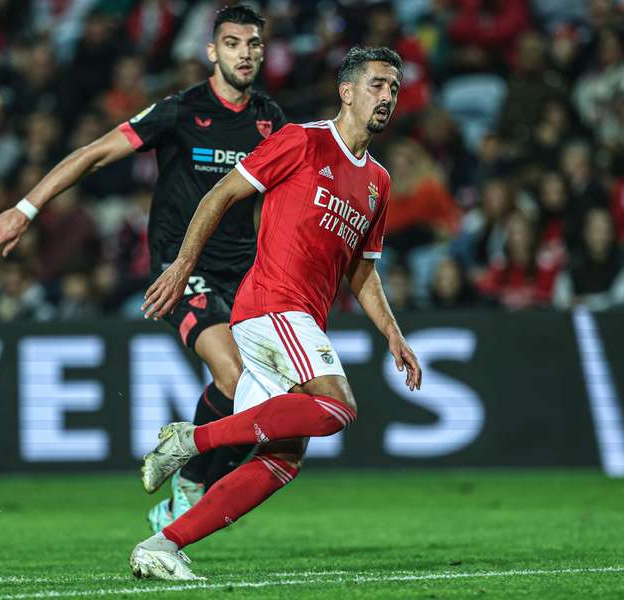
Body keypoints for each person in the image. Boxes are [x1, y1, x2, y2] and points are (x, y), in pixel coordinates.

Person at [0, 4, 286, 533]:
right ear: (212, 51)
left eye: (253, 44)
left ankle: (186, 479)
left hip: (245, 272)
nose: (244, 53)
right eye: (232, 43)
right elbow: (95, 153)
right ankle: (190, 484)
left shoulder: (271, 121)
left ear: (263, 51)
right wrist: (24, 209)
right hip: (179, 270)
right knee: (233, 374)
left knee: (265, 397)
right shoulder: (180, 111)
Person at [130, 46, 422, 581]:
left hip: (298, 319)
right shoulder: (303, 141)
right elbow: (222, 192)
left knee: (281, 461)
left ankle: (162, 544)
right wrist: (182, 264)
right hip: (272, 305)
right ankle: (191, 440)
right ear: (347, 91)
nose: (387, 96)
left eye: (394, 89)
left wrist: (394, 336)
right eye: (377, 85)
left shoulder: (377, 181)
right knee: (337, 407)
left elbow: (362, 271)